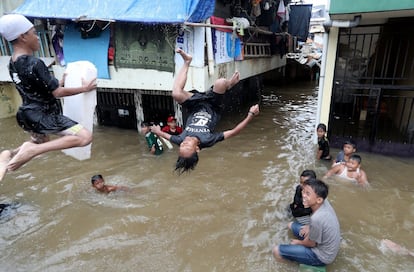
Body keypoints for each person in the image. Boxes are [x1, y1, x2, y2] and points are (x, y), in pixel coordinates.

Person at [0, 14, 97, 181]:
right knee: (84, 137)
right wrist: (84, 88)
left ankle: (9, 154)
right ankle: (32, 150)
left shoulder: (12, 63)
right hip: (44, 116)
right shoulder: (34, 63)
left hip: (26, 116)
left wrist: (58, 82)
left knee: (39, 142)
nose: (37, 37)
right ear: (22, 37)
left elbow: (34, 88)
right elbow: (57, 93)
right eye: (33, 33)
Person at [150, 48, 259, 174]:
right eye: (187, 145)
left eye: (181, 146)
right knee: (220, 83)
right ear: (197, 149)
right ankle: (230, 84)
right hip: (213, 105)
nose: (183, 143)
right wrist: (250, 115)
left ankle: (187, 61)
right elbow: (234, 132)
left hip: (195, 104)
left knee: (176, 94)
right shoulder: (208, 140)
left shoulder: (180, 139)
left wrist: (157, 131)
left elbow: (167, 136)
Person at [273, 178, 341, 267]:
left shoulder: (317, 218)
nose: (303, 196)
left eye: (307, 193)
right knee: (290, 225)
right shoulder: (324, 203)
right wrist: (309, 227)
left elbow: (312, 243)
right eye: (303, 191)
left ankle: (292, 267)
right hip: (328, 247)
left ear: (319, 200)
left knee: (276, 250)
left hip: (322, 257)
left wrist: (299, 242)